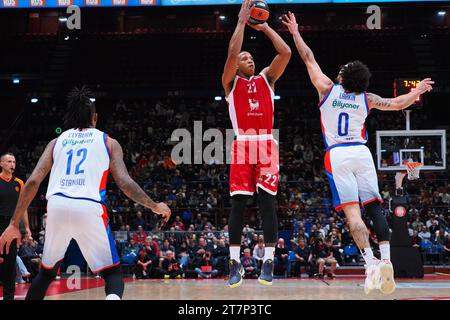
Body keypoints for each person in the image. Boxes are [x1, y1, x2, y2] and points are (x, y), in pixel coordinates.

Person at [283, 11, 433, 294]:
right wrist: (418, 91)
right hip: (362, 152)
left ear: (343, 76)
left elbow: (308, 58)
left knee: (353, 214)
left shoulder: (327, 88)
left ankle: (370, 264)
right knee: (374, 206)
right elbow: (397, 103)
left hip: (338, 154)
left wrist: (295, 32)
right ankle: (386, 259)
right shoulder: (368, 99)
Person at [0, 86, 171, 300]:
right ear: (95, 118)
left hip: (56, 207)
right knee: (112, 273)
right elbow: (125, 183)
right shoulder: (109, 142)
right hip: (89, 206)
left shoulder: (56, 142)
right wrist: (155, 206)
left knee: (46, 273)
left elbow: (33, 180)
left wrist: (14, 224)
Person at [222, 0, 291, 288]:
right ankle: (235, 262)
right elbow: (232, 52)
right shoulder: (230, 83)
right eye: (245, 57)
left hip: (266, 144)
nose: (249, 58)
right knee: (238, 203)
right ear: (236, 64)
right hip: (243, 143)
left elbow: (285, 52)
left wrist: (263, 28)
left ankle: (269, 261)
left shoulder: (266, 78)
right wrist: (240, 22)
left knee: (267, 203)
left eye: (251, 57)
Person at [0, 152, 31, 300]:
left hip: (12, 227)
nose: (12, 164)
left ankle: (8, 297)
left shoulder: (19, 183)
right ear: (1, 164)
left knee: (10, 263)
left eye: (13, 161)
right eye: (8, 161)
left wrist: (27, 229)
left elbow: (23, 207)